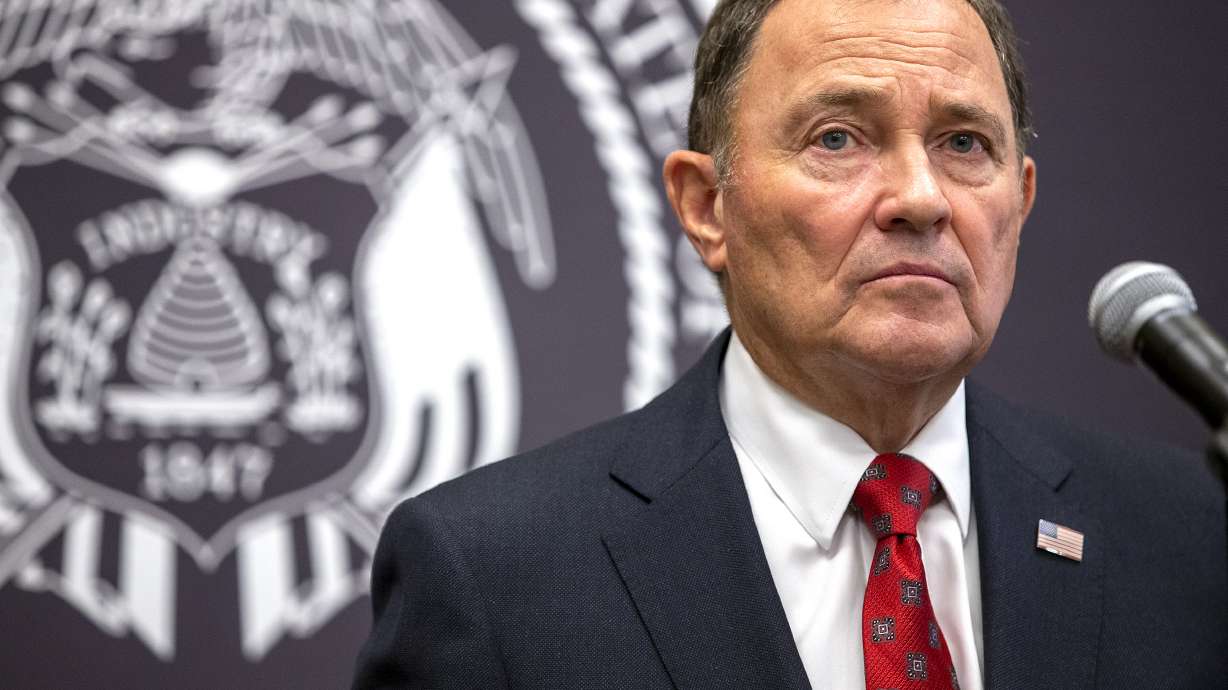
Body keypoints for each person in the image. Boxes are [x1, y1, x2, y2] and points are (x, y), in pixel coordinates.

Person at [353, 0, 1226, 687]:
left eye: (964, 144)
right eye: (838, 138)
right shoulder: (495, 574)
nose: (921, 199)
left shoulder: (1189, 535)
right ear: (707, 207)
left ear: (1020, 203)